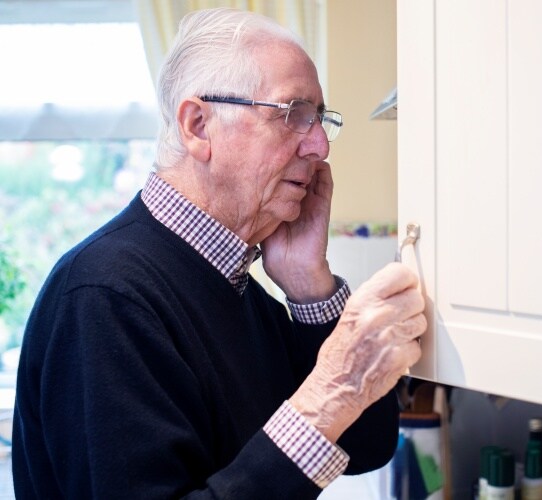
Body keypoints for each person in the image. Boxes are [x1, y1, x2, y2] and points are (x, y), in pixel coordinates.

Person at [12, 7, 426, 499]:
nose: (319, 145)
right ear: (198, 125)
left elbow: (367, 445)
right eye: (293, 113)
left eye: (319, 120)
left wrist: (308, 282)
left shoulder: (234, 285)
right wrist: (329, 391)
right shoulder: (105, 296)